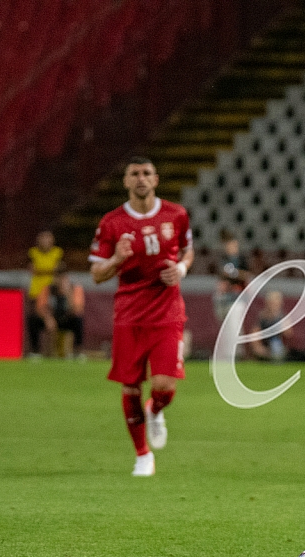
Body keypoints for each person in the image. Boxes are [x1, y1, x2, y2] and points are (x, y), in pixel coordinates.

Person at [89, 156, 193, 477]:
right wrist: (116, 260)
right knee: (130, 386)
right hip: (129, 316)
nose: (141, 178)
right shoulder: (112, 222)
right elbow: (96, 274)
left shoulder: (176, 215)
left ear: (156, 179)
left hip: (167, 312)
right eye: (134, 173)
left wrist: (181, 269)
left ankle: (155, 409)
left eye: (146, 173)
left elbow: (188, 250)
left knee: (164, 385)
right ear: (125, 181)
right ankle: (142, 455)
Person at [30, 268, 85, 357]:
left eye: (63, 277)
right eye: (58, 277)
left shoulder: (75, 289)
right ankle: (35, 351)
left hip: (67, 319)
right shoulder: (48, 289)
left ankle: (77, 351)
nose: (60, 280)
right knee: (33, 320)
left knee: (78, 320)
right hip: (51, 318)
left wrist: (68, 294)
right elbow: (40, 308)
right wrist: (48, 318)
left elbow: (78, 310)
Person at [26, 230, 64, 356]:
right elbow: (33, 270)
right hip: (36, 292)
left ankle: (53, 352)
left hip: (52, 292)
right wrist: (50, 270)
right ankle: (35, 350)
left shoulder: (58, 252)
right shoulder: (33, 253)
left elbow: (59, 270)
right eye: (43, 238)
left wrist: (41, 270)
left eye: (48, 238)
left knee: (54, 321)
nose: (46, 241)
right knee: (34, 320)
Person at [214, 230, 249, 322]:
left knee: (234, 322)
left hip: (237, 296)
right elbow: (221, 275)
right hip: (224, 296)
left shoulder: (241, 260)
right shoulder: (224, 259)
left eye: (232, 245)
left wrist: (233, 273)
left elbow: (246, 275)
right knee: (224, 323)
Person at [248, 290, 292, 362]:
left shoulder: (282, 317)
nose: (274, 306)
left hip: (277, 345)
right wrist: (257, 346)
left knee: (276, 346)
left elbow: (288, 333)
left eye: (276, 304)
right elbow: (255, 334)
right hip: (265, 345)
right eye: (272, 303)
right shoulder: (262, 317)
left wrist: (278, 321)